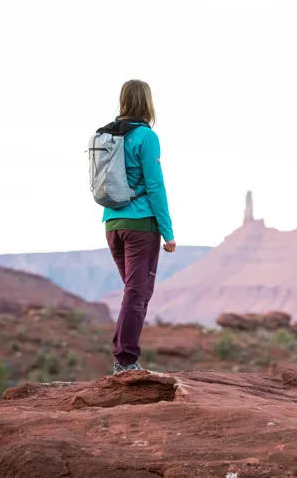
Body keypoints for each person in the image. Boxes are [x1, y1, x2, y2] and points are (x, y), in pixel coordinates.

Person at [103, 79, 176, 374]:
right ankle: (125, 360)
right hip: (140, 226)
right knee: (137, 292)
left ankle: (124, 355)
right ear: (147, 102)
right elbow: (155, 185)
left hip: (112, 224)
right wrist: (168, 232)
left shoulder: (106, 135)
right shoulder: (146, 136)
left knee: (134, 293)